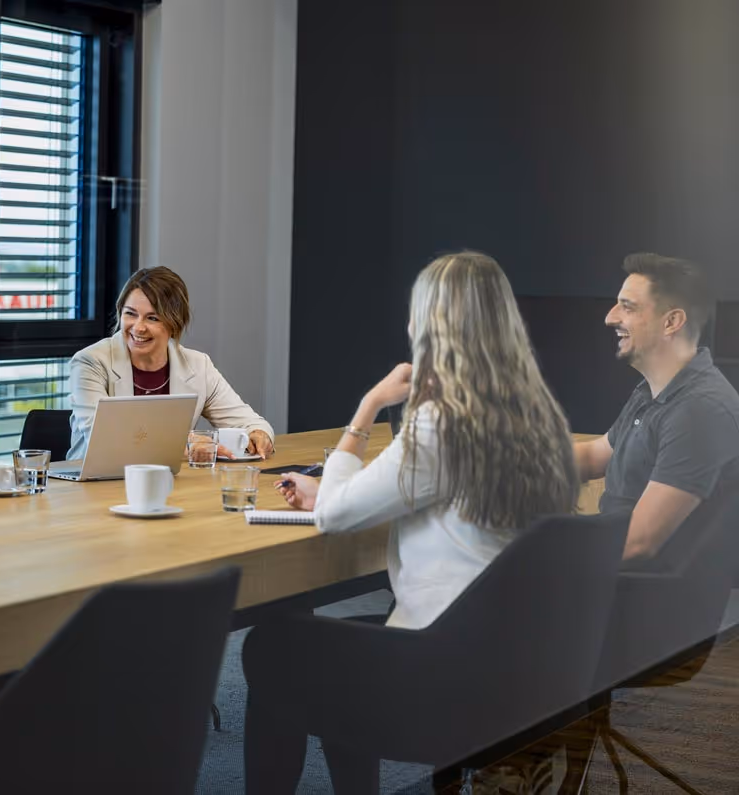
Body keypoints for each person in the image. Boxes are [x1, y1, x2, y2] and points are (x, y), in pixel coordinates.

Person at [245, 252, 579, 793]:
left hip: (442, 668)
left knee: (274, 645)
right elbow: (431, 496)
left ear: (433, 325)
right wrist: (337, 488)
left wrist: (368, 406)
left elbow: (333, 515)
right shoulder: (538, 417)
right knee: (330, 653)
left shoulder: (443, 421)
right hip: (518, 665)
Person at [574, 253, 739, 568]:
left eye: (628, 307)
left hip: (638, 595)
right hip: (609, 569)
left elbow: (637, 544)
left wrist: (539, 554)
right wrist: (506, 468)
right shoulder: (655, 390)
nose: (610, 317)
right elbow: (595, 457)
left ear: (671, 322)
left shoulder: (700, 410)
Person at [68, 266, 274, 461]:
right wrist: (188, 443)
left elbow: (250, 421)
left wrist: (258, 434)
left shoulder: (198, 365)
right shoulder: (90, 362)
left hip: (168, 482)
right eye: (130, 314)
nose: (138, 328)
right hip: (95, 485)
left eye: (153, 318)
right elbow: (104, 438)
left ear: (174, 324)